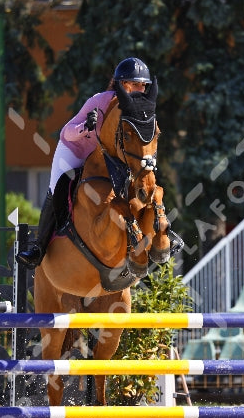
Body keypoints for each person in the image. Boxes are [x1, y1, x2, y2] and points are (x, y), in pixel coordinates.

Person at [16, 57, 157, 269]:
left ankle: (160, 228)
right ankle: (38, 248)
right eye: (136, 84)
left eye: (143, 85)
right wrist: (85, 127)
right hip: (75, 151)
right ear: (122, 84)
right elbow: (66, 132)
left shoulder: (139, 110)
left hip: (103, 159)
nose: (140, 89)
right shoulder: (100, 101)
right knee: (57, 189)